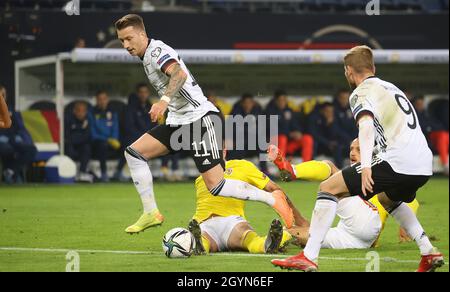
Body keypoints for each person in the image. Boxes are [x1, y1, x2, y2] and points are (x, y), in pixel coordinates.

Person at [271, 45, 444, 272]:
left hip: (397, 160)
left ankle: (308, 257)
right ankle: (428, 251)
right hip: (422, 164)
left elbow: (366, 126)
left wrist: (366, 167)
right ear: (373, 67)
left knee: (328, 187)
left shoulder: (361, 92)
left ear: (349, 72)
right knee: (387, 200)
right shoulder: (392, 88)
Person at [114, 14, 293, 234]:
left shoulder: (156, 52)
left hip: (200, 118)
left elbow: (178, 74)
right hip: (179, 122)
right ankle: (151, 212)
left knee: (216, 185)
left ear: (142, 34)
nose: (126, 45)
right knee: (134, 153)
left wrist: (163, 101)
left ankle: (272, 199)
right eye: (122, 41)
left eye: (129, 38)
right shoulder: (146, 56)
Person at [268, 139, 420, 249]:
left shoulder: (379, 175)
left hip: (366, 223)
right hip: (360, 240)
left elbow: (410, 199)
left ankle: (293, 170)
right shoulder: (356, 180)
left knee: (330, 168)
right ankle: (276, 239)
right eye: (351, 149)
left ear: (373, 155)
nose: (353, 153)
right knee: (308, 234)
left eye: (359, 150)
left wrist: (406, 222)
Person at [187, 155, 294, 255]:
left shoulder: (240, 166)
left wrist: (295, 216)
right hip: (223, 223)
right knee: (249, 238)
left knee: (206, 240)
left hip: (213, 222)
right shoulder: (202, 177)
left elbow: (272, 188)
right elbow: (274, 189)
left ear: (224, 150)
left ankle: (199, 243)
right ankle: (267, 244)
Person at [114, 84, 158, 181]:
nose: (143, 95)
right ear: (137, 94)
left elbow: (155, 124)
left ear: (148, 93)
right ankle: (118, 171)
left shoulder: (150, 107)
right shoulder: (130, 108)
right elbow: (128, 127)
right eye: (141, 92)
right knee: (131, 145)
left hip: (147, 137)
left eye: (145, 92)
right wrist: (143, 138)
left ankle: (165, 170)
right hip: (132, 137)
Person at [265, 90, 313, 163]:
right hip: (275, 144)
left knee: (307, 138)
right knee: (282, 138)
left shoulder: (289, 111)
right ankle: (281, 167)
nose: (282, 102)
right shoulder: (269, 111)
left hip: (288, 143)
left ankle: (306, 165)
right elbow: (271, 130)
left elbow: (295, 124)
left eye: (284, 100)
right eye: (280, 100)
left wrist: (298, 132)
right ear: (275, 101)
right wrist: (289, 134)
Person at [88, 90, 121, 182]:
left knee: (128, 144)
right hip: (98, 141)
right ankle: (104, 173)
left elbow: (115, 127)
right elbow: (93, 133)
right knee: (102, 146)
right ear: (97, 100)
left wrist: (114, 139)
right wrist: (108, 140)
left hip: (112, 140)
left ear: (107, 100)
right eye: (100, 99)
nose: (102, 101)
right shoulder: (92, 113)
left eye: (104, 99)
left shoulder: (112, 112)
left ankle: (119, 172)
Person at [412, 95, 449, 176]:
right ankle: (446, 165)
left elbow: (433, 125)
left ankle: (446, 163)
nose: (420, 106)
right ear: (415, 104)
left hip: (431, 137)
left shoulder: (427, 113)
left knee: (444, 135)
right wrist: (428, 128)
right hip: (422, 139)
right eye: (418, 104)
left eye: (421, 104)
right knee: (442, 136)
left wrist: (429, 128)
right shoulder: (413, 114)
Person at [0, 110, 37, 184]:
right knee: (8, 150)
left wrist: (19, 137)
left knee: (31, 150)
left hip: (13, 139)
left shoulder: (12, 111)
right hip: (2, 141)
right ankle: (12, 174)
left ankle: (10, 171)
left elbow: (20, 128)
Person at [308, 102, 348, 168]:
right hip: (320, 145)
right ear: (322, 111)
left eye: (331, 111)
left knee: (339, 146)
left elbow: (337, 134)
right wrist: (328, 143)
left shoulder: (334, 120)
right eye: (327, 111)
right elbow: (314, 134)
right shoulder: (315, 118)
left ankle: (340, 170)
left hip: (332, 146)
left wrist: (331, 125)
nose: (330, 113)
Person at [65, 101, 93, 182]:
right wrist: (77, 138)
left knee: (86, 147)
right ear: (74, 111)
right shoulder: (68, 119)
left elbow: (87, 136)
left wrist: (76, 138)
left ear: (86, 112)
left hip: (81, 145)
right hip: (70, 144)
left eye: (83, 111)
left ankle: (82, 172)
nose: (81, 113)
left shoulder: (87, 120)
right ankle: (70, 173)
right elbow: (67, 136)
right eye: (78, 111)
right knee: (68, 147)